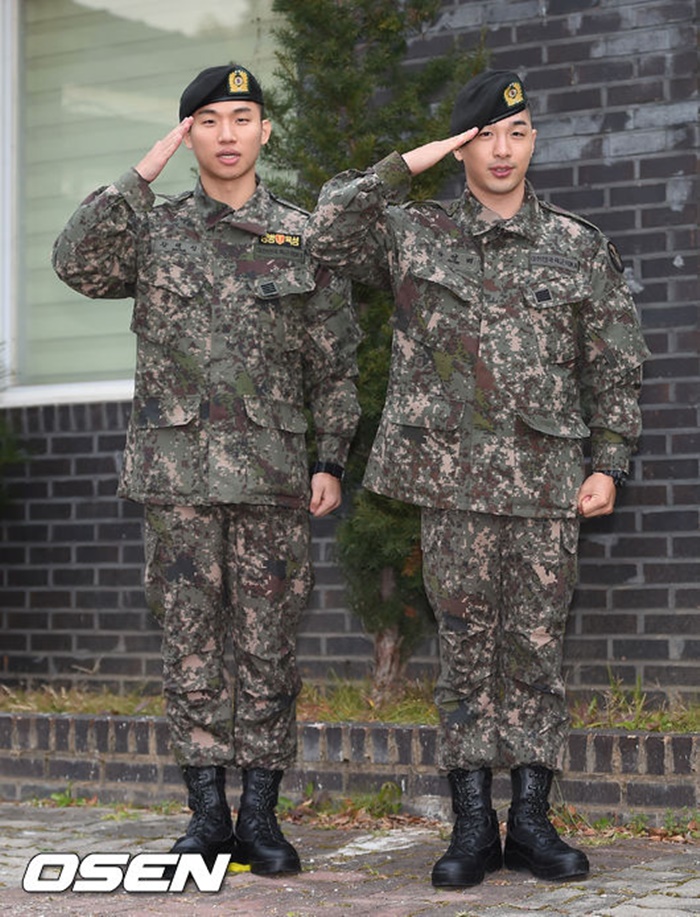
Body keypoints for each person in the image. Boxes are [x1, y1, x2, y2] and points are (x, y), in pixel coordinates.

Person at [306, 69, 649, 888]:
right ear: (461, 147)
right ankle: (469, 824)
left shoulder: (576, 245)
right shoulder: (412, 233)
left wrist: (609, 461)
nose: (503, 150)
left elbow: (614, 364)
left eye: (517, 133)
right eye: (485, 135)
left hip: (545, 481)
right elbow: (325, 231)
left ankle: (529, 821)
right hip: (453, 484)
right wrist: (410, 162)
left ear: (534, 142)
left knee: (535, 651)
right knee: (465, 653)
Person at [53, 64, 361, 876]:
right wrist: (140, 174)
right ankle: (206, 813)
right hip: (178, 478)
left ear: (265, 131)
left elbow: (334, 362)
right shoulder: (154, 231)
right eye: (210, 121)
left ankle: (259, 814)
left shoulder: (301, 235)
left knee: (268, 647)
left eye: (242, 118)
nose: (228, 134)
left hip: (272, 477)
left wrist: (330, 458)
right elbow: (73, 261)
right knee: (190, 644)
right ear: (189, 134)